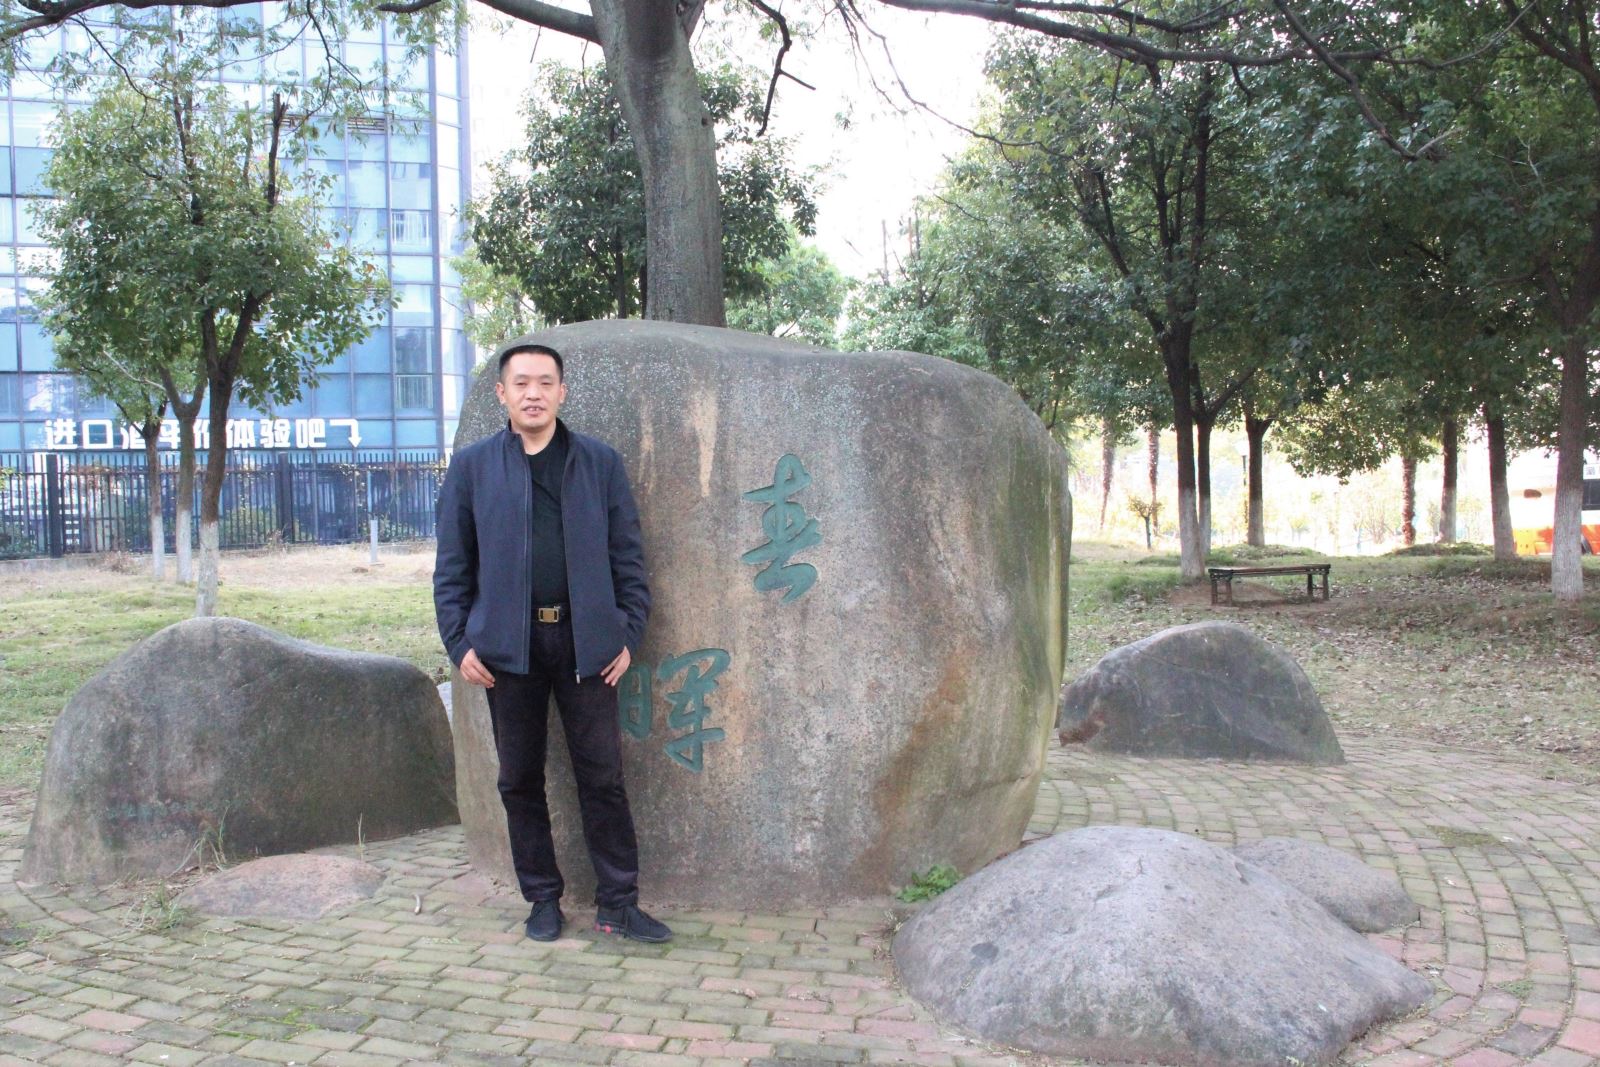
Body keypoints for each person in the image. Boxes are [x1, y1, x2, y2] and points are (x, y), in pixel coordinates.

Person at [433, 342, 670, 944]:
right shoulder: (473, 468)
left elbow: (628, 559)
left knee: (603, 777)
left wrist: (626, 633)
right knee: (518, 778)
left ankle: (619, 903)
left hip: (587, 646)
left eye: (545, 382)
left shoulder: (598, 463)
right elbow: (452, 566)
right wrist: (459, 643)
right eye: (521, 383)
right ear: (502, 394)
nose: (533, 393)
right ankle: (542, 898)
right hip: (506, 652)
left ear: (562, 392)